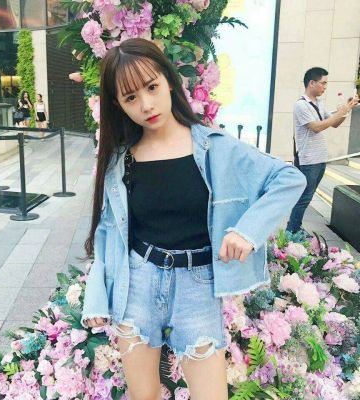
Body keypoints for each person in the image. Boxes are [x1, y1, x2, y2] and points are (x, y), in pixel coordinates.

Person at [81, 38, 306, 400]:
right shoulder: (122, 160)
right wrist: (96, 296)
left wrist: (247, 231)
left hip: (198, 285)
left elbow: (289, 178)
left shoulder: (215, 147)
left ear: (169, 81)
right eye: (130, 98)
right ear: (118, 105)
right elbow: (108, 232)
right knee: (143, 396)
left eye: (151, 87)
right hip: (138, 281)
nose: (146, 105)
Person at [287, 67, 359, 234]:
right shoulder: (301, 105)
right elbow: (316, 127)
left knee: (307, 196)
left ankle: (295, 227)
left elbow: (334, 123)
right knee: (304, 197)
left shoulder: (318, 103)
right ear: (312, 83)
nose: (325, 87)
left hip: (320, 159)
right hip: (308, 160)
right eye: (323, 83)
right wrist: (341, 112)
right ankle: (292, 231)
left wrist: (346, 109)